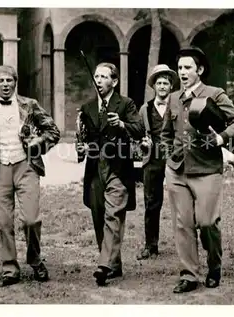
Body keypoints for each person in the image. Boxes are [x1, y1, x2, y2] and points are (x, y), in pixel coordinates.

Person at [161, 46, 234, 293]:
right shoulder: (174, 98)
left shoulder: (215, 94)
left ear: (199, 70)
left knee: (208, 222)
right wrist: (169, 153)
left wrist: (220, 139)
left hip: (208, 168)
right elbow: (166, 132)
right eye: (180, 68)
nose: (183, 72)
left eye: (188, 67)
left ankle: (214, 266)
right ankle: (189, 275)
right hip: (177, 170)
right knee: (183, 223)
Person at [0, 65, 61, 287]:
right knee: (3, 222)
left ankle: (35, 258)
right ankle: (9, 267)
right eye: (0, 81)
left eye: (9, 80)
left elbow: (53, 131)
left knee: (31, 219)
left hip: (26, 166)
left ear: (15, 82)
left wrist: (39, 143)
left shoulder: (29, 105)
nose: (5, 85)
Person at [76, 62, 144, 286]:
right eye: (96, 76)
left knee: (113, 214)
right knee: (98, 214)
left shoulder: (126, 104)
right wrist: (83, 148)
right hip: (95, 168)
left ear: (114, 81)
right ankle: (113, 264)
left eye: (103, 76)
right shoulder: (87, 108)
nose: (98, 80)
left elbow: (139, 130)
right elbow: (85, 139)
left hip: (118, 168)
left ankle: (104, 264)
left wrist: (122, 124)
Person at [136, 64, 179, 260]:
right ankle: (150, 245)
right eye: (159, 83)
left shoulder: (177, 106)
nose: (162, 86)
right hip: (152, 160)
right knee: (152, 203)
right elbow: (137, 134)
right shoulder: (145, 109)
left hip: (175, 159)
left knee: (181, 202)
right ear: (154, 86)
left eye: (166, 83)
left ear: (171, 86)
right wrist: (142, 143)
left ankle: (185, 245)